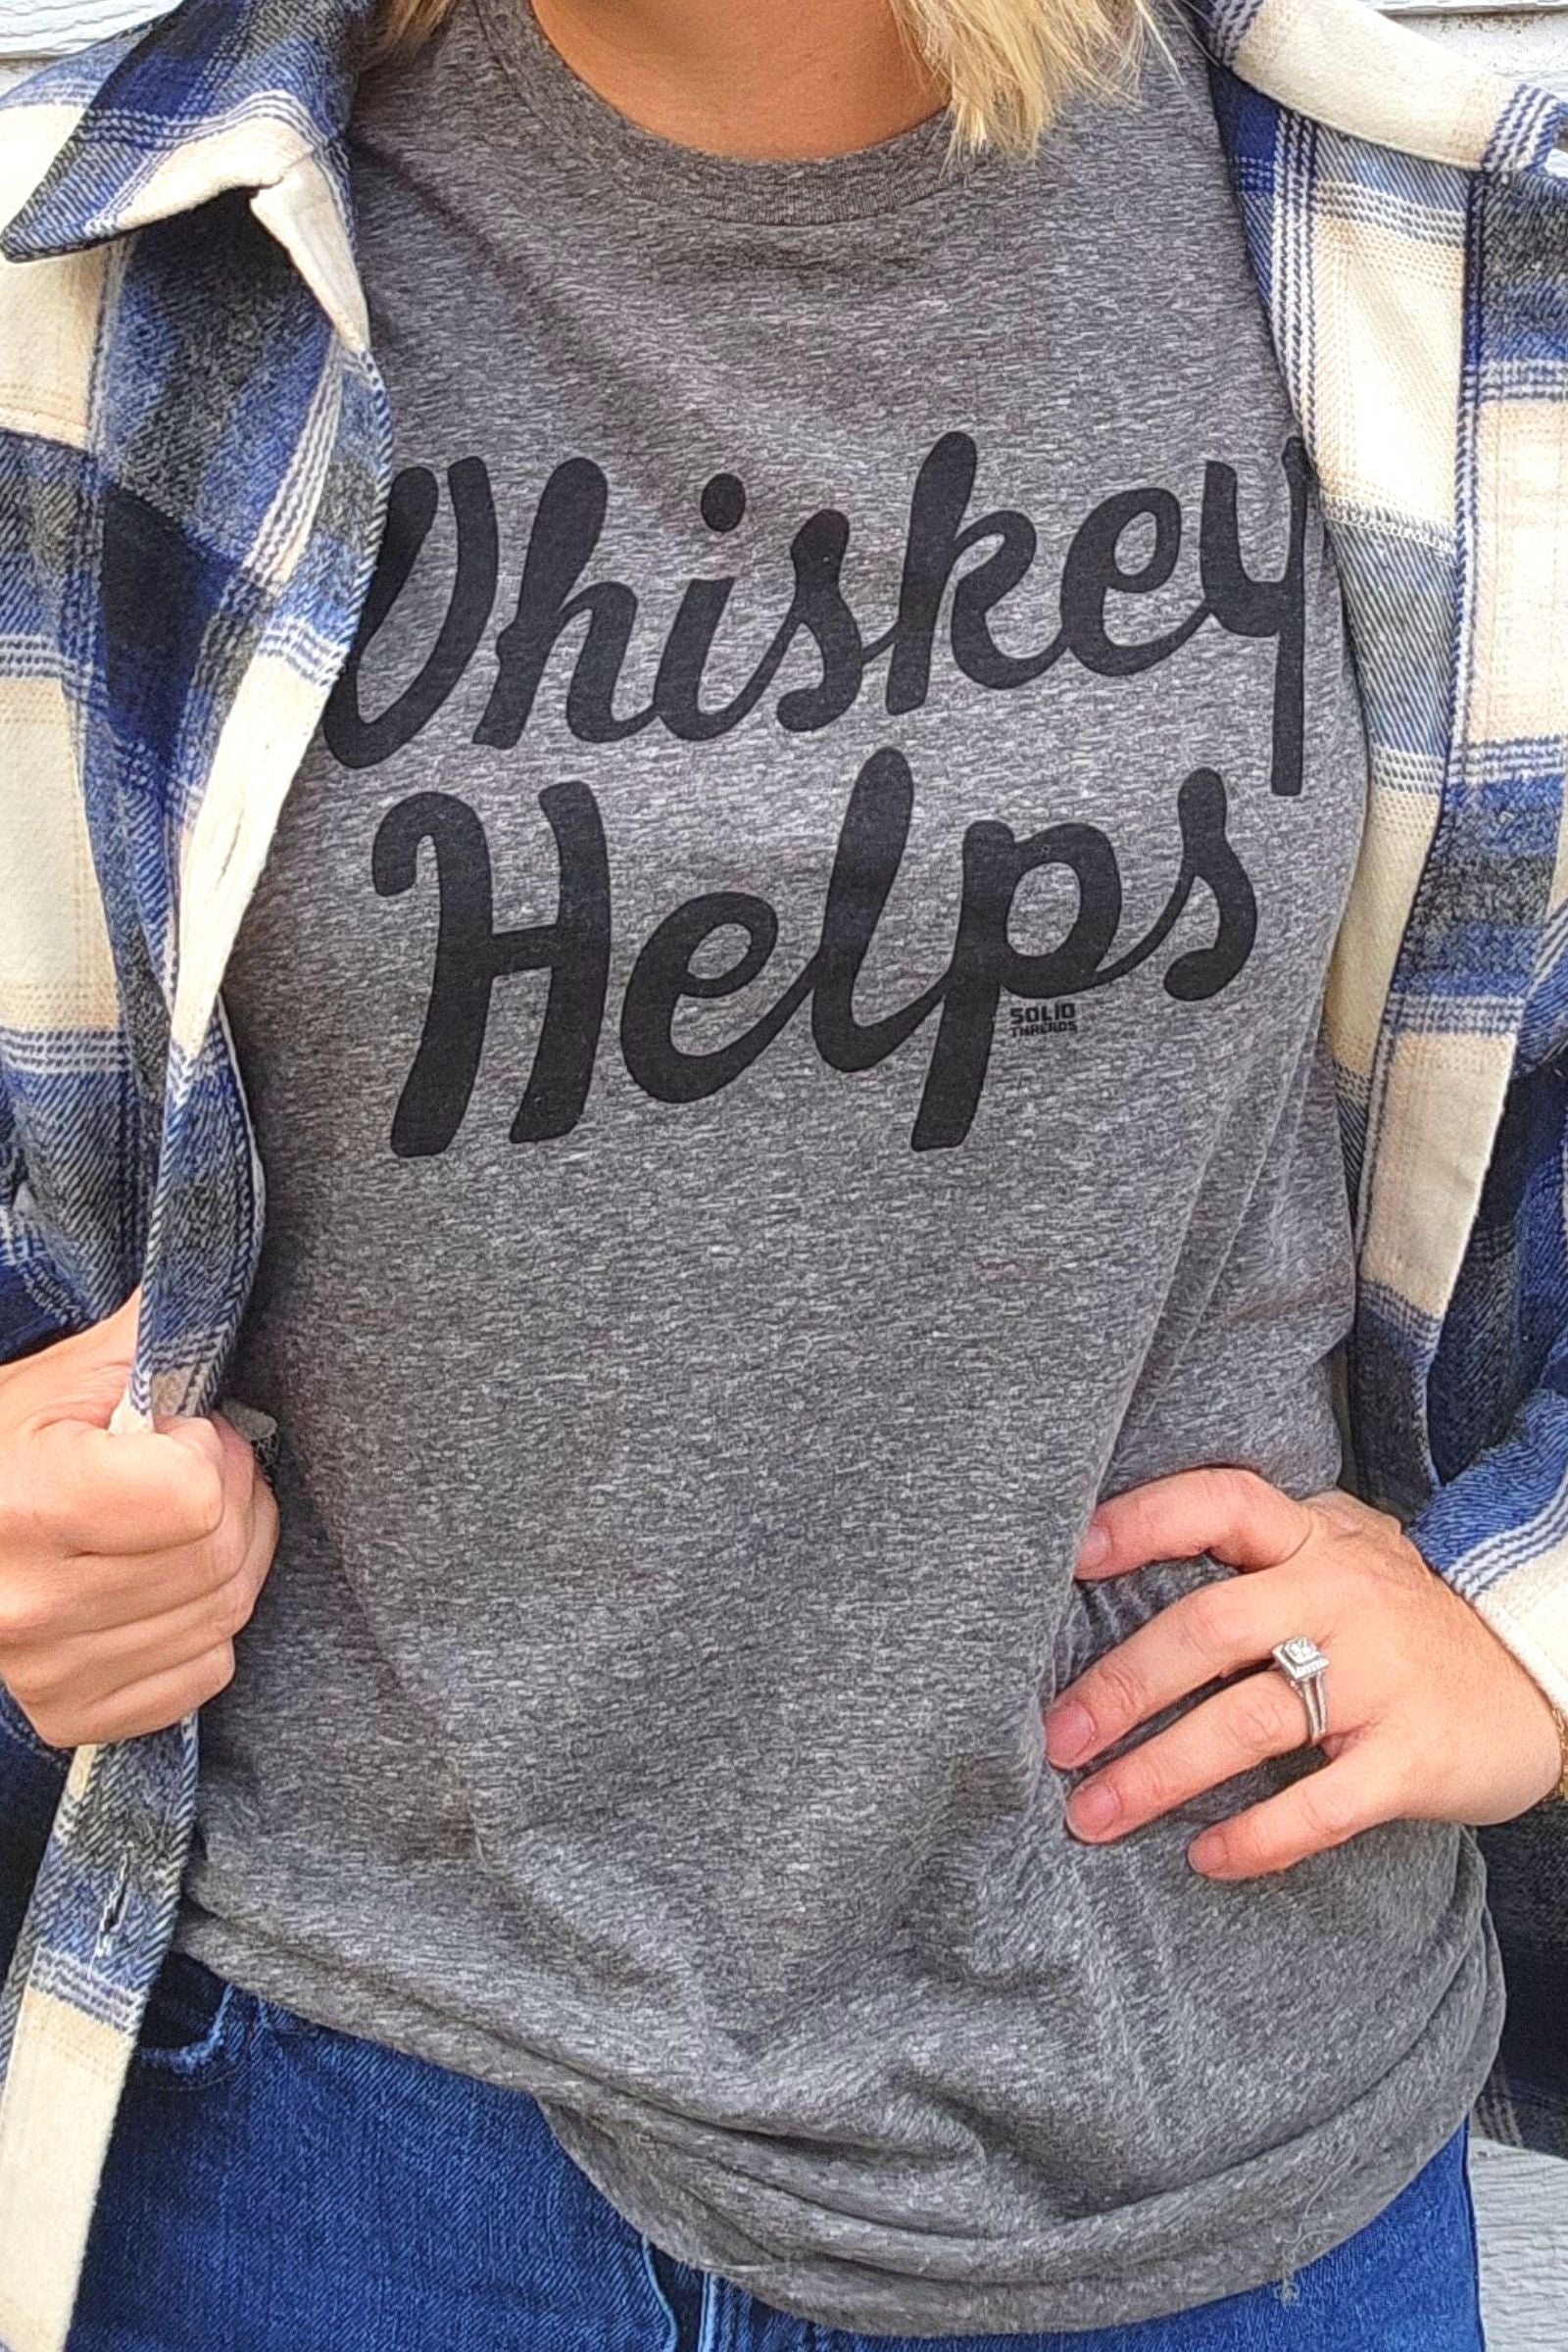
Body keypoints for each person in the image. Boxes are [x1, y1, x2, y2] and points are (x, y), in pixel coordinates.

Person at [1, 0, 1567, 2344]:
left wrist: (1529, 1613)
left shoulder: (1437, 216)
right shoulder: (90, 255)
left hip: (1207, 2142)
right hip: (340, 2136)